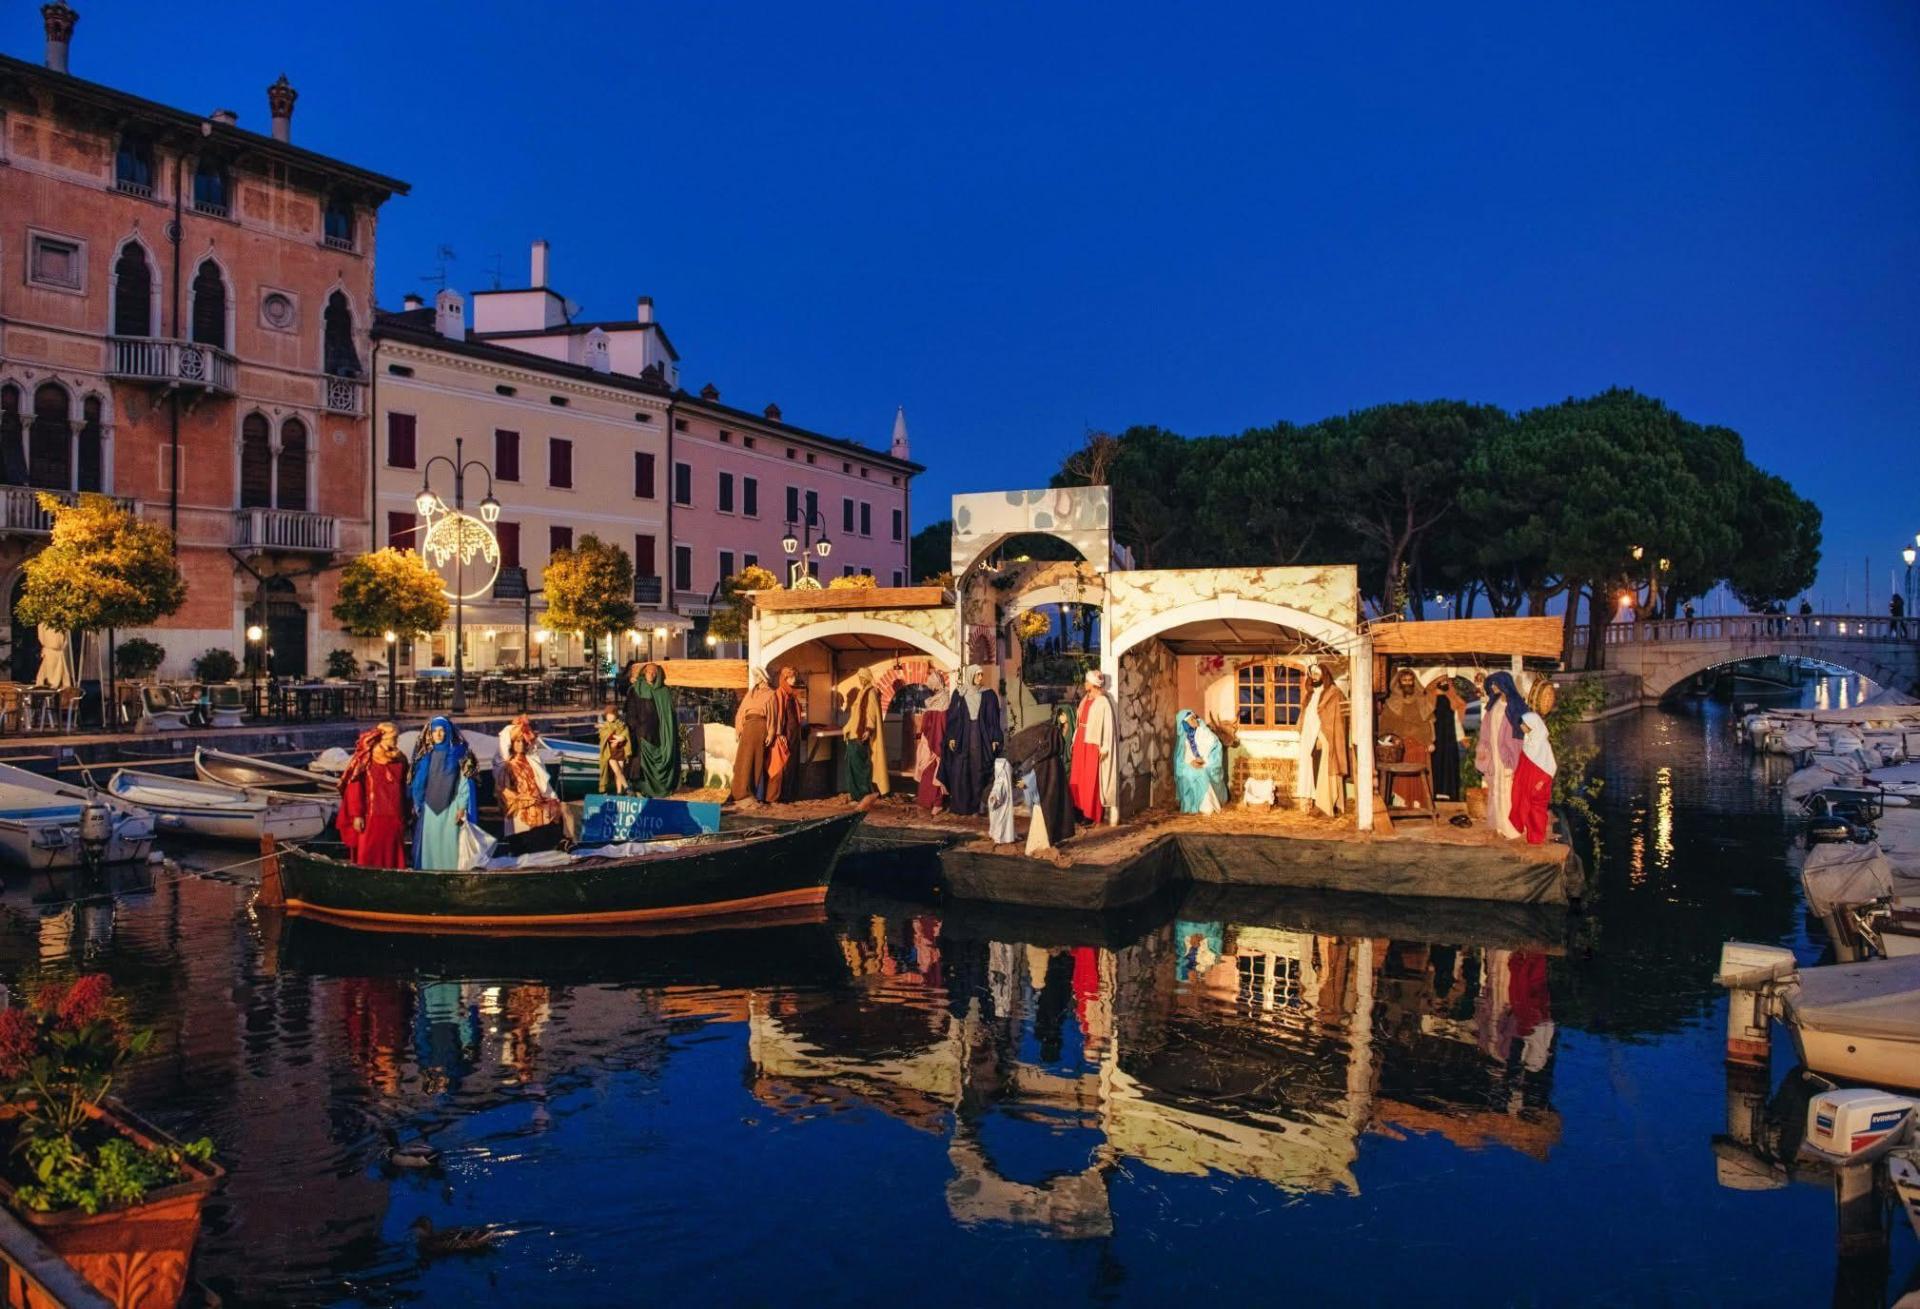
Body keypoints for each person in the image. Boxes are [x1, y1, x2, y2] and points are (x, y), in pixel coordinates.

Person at [409, 716, 478, 870]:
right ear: (430, 734)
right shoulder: (425, 756)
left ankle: (449, 872)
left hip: (451, 808)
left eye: (442, 731)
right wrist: (418, 803)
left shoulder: (459, 754)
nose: (438, 735)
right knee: (430, 843)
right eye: (435, 731)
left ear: (448, 732)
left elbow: (464, 782)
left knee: (448, 843)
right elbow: (419, 784)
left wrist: (461, 806)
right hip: (429, 809)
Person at [337, 721, 407, 868]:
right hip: (372, 816)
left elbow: (404, 788)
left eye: (396, 737)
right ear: (382, 738)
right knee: (369, 853)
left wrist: (407, 811)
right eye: (392, 738)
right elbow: (355, 788)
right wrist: (357, 814)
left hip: (394, 816)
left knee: (393, 853)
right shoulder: (366, 760)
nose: (395, 741)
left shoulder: (400, 759)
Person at [941, 665, 1003, 817]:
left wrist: (994, 738)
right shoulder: (960, 694)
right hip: (963, 735)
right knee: (961, 769)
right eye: (978, 675)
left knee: (978, 769)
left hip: (980, 736)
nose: (981, 678)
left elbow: (993, 718)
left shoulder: (988, 694)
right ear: (970, 676)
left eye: (982, 675)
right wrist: (952, 736)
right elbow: (953, 717)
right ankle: (961, 806)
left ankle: (978, 805)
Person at [1476, 672, 1526, 839]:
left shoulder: (1516, 705)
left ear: (1505, 684)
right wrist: (1483, 748)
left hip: (1508, 754)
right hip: (1494, 753)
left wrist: (1513, 758)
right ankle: (1498, 824)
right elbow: (1486, 729)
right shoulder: (1494, 703)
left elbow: (1520, 735)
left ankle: (1511, 828)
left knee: (1509, 789)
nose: (1493, 687)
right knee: (1496, 789)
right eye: (1491, 685)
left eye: (1495, 684)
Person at [500, 730, 573, 841]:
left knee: (563, 807)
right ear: (512, 743)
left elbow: (540, 782)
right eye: (518, 741)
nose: (521, 744)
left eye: (523, 741)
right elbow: (506, 791)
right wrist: (529, 799)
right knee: (541, 811)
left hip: (538, 798)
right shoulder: (508, 765)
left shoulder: (531, 760)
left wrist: (546, 797)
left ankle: (565, 841)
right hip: (523, 802)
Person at [1296, 662, 1349, 816]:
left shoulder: (1333, 693)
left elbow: (1334, 719)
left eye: (1318, 674)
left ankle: (1325, 805)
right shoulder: (1310, 695)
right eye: (1312, 674)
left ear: (1324, 676)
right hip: (1309, 739)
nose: (1314, 677)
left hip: (1325, 739)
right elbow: (1307, 716)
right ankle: (1312, 803)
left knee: (1325, 769)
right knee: (1311, 768)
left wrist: (1321, 736)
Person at [1379, 668, 1435, 808]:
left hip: (1420, 744)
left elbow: (1429, 723)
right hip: (1401, 747)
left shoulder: (1422, 701)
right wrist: (1391, 741)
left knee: (1420, 775)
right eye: (1404, 680)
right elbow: (1385, 728)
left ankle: (1419, 803)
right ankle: (1402, 803)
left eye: (1410, 680)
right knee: (1401, 776)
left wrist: (1430, 741)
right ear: (1399, 682)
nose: (1408, 683)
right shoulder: (1392, 703)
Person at [1026, 703, 1076, 855]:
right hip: (1056, 771)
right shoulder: (1055, 734)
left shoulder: (1067, 735)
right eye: (1059, 715)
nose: (1061, 718)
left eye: (1064, 715)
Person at [1067, 669, 1116, 826]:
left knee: (1090, 778)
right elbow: (1079, 722)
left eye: (1087, 681)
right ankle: (1078, 810)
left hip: (1093, 743)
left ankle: (1090, 813)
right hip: (1082, 740)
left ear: (1093, 684)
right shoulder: (1085, 699)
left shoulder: (1103, 702)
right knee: (1077, 776)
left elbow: (1108, 727)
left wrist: (1105, 747)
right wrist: (1075, 740)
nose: (1084, 683)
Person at [1510, 692, 1558, 844]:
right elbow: (1524, 762)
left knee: (1537, 810)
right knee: (1527, 808)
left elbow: (1551, 766)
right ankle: (1531, 835)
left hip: (1538, 783)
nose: (1522, 728)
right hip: (1527, 782)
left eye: (1524, 725)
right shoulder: (1529, 740)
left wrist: (1541, 782)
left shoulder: (1542, 744)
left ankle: (1537, 837)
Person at [627, 662, 680, 798]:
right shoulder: (636, 690)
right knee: (639, 763)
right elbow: (630, 712)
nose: (651, 675)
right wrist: (638, 729)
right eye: (649, 672)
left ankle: (660, 789)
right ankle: (639, 789)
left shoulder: (664, 692)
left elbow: (670, 715)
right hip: (642, 735)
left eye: (654, 673)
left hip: (659, 736)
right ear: (644, 673)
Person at [730, 668, 776, 804]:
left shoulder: (771, 694)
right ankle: (740, 791)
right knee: (743, 760)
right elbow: (741, 712)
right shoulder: (750, 694)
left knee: (758, 760)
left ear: (763, 678)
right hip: (748, 729)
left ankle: (758, 794)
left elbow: (772, 715)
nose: (755, 678)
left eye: (757, 676)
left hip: (760, 728)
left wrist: (771, 732)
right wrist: (738, 729)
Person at [1173, 709, 1226, 814]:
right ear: (1185, 723)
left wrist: (1203, 761)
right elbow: (1181, 758)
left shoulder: (1203, 731)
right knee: (1190, 773)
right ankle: (1192, 806)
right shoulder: (1183, 738)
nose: (1195, 720)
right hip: (1189, 765)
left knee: (1201, 773)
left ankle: (1207, 807)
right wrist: (1191, 762)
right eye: (1191, 719)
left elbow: (1215, 748)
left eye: (1194, 718)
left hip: (1207, 763)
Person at [766, 666, 806, 801]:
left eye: (794, 676)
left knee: (793, 763)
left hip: (794, 733)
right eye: (792, 677)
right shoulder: (779, 694)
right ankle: (783, 795)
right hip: (785, 734)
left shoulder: (791, 694)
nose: (794, 679)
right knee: (784, 764)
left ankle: (790, 794)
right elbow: (777, 715)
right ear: (785, 678)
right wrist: (779, 733)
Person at [914, 671, 951, 813]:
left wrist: (937, 739)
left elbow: (942, 722)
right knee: (926, 770)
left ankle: (937, 803)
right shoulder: (934, 699)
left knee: (935, 770)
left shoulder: (944, 699)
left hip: (937, 739)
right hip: (928, 739)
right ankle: (927, 801)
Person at [1430, 678, 1465, 801]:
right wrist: (1461, 738)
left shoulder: (1431, 701)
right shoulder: (1451, 701)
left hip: (1436, 741)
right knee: (1447, 766)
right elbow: (1456, 722)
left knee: (1437, 765)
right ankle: (1448, 794)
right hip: (1447, 741)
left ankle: (1436, 793)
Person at [597, 703, 631, 795]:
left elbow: (626, 733)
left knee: (620, 772)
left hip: (620, 751)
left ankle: (619, 792)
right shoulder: (604, 727)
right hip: (610, 753)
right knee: (617, 770)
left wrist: (621, 737)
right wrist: (616, 738)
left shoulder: (621, 725)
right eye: (608, 715)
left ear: (616, 715)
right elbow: (604, 736)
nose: (610, 717)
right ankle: (627, 787)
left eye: (612, 715)